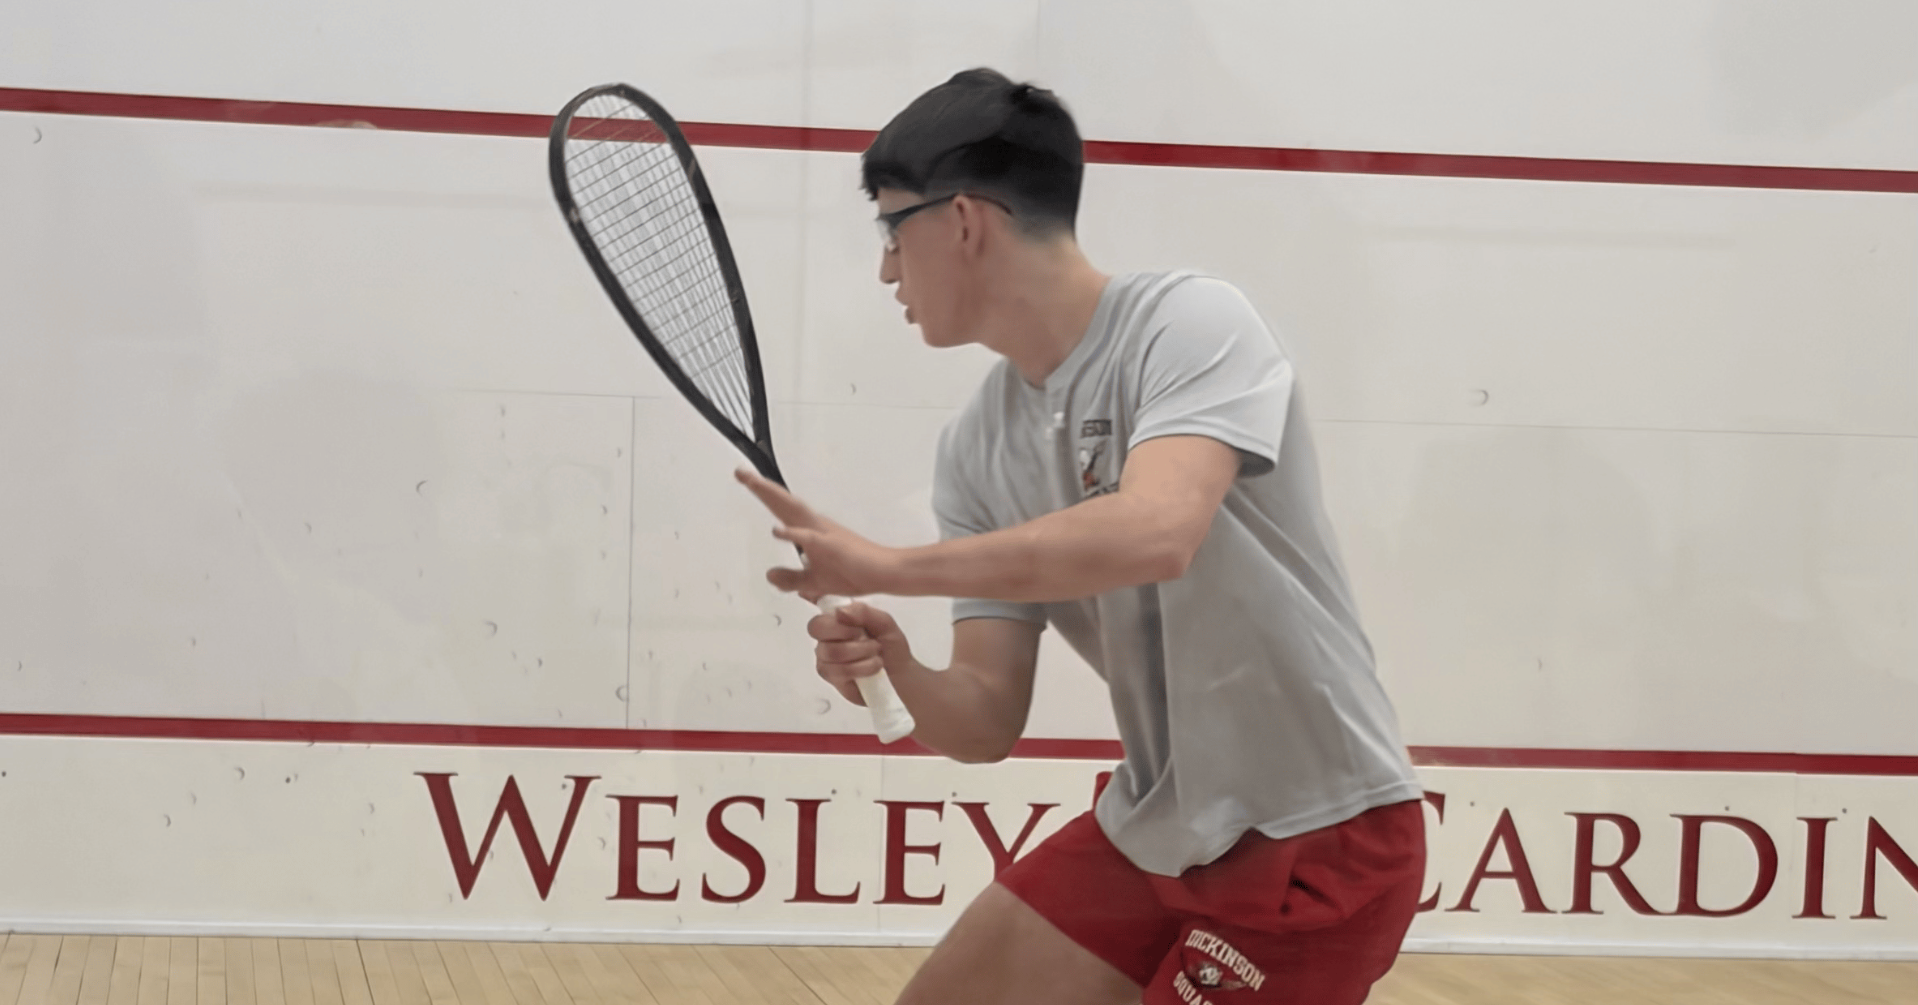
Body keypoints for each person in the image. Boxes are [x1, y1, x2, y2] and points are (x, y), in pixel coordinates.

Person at [738, 68, 1426, 1005]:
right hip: (1157, 826)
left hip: (1321, 837)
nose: (887, 270)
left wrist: (892, 567)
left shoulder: (1191, 325)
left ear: (965, 221)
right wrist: (896, 665)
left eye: (893, 232)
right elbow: (983, 720)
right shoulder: (977, 448)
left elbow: (1156, 529)